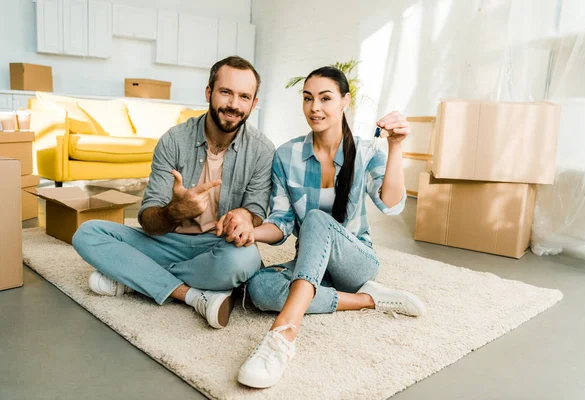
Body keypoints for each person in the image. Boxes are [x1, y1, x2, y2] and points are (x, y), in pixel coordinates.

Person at [236, 66, 426, 388]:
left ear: (344, 102)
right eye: (308, 98)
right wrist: (252, 232)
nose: (315, 108)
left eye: (325, 98)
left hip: (356, 262)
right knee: (259, 289)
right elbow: (281, 223)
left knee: (314, 218)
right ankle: (369, 300)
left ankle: (283, 334)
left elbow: (391, 205)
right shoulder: (286, 155)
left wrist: (395, 147)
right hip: (313, 266)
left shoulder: (366, 152)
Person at [72, 56, 275, 330]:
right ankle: (190, 295)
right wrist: (174, 211)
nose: (233, 105)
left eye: (244, 97)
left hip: (216, 245)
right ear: (209, 92)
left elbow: (257, 211)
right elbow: (149, 221)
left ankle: (135, 278)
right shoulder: (174, 140)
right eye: (226, 92)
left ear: (254, 103)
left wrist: (245, 216)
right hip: (166, 242)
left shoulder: (263, 151)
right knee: (87, 234)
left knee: (246, 260)